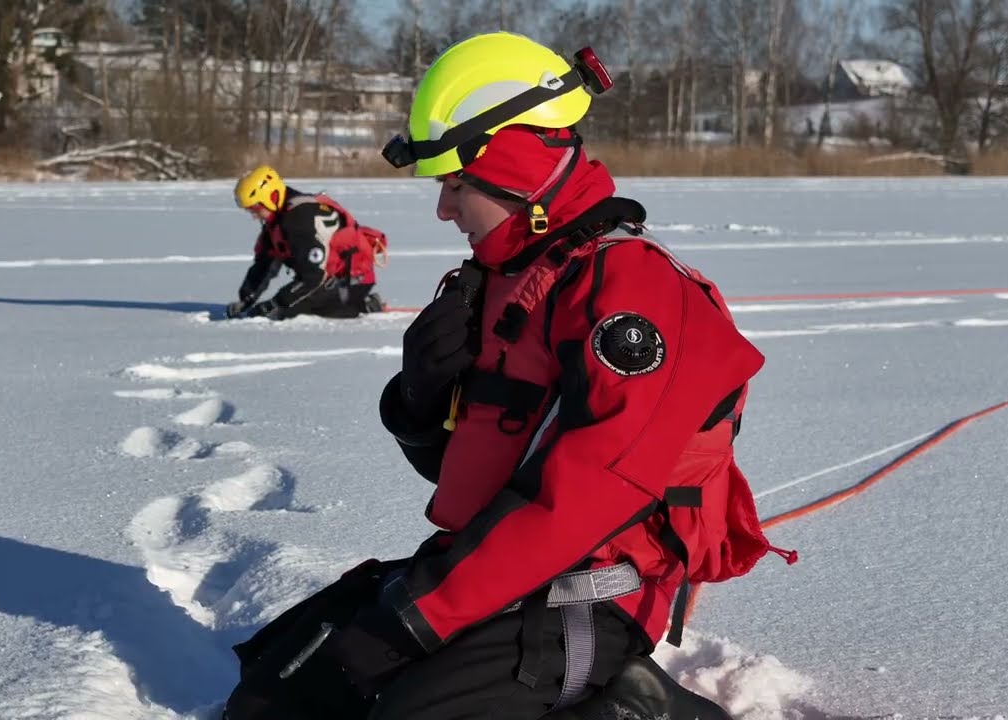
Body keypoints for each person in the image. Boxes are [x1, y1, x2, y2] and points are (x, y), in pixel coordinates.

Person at [222, 32, 795, 720]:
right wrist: (419, 403)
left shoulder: (630, 291)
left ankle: (632, 704)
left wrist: (416, 616)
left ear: (515, 169)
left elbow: (585, 498)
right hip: (495, 570)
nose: (443, 209)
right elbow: (479, 470)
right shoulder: (509, 281)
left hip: (589, 589)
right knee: (269, 696)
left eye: (454, 185)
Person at [227, 164, 389, 320]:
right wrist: (246, 299)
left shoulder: (298, 219)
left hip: (352, 278)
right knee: (281, 307)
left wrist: (276, 303)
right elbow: (265, 263)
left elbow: (313, 276)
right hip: (323, 276)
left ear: (271, 197)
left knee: (289, 313)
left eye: (255, 209)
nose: (253, 216)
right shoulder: (276, 221)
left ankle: (364, 304)